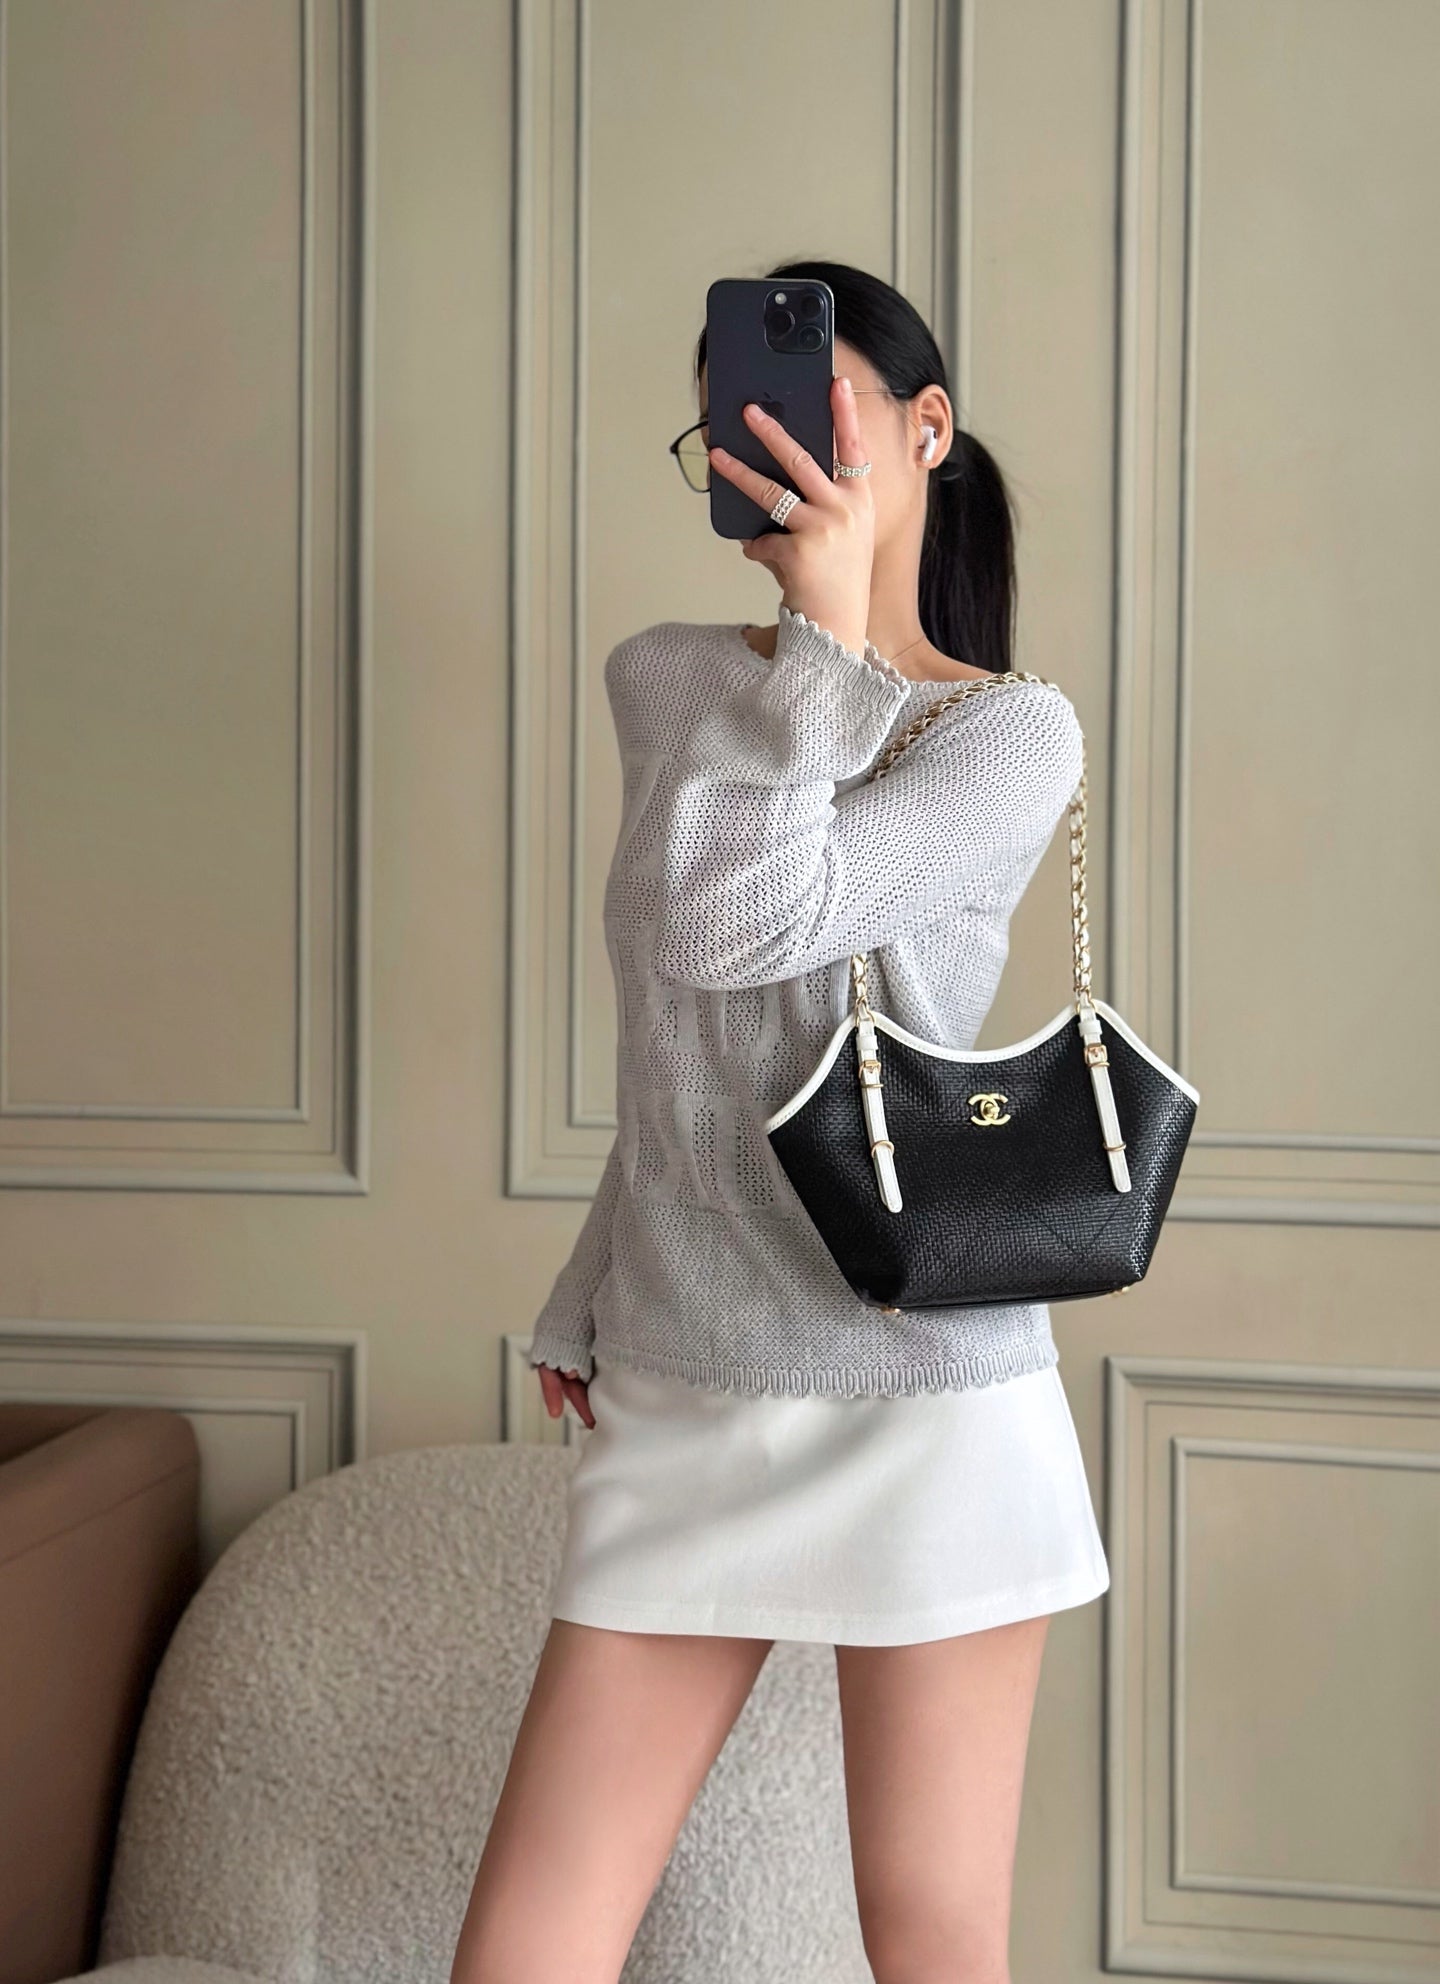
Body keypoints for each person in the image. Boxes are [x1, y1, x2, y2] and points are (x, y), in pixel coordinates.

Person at [449, 258, 1108, 1984]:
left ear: (926, 428)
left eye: (813, 413)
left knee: (932, 1935)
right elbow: (684, 1021)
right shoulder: (668, 677)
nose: (770, 450)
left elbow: (747, 921)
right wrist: (590, 1278)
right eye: (734, 427)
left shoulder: (1011, 735)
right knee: (525, 1946)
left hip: (928, 1395)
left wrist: (824, 646)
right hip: (685, 1371)